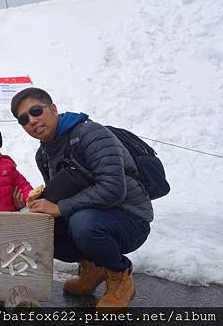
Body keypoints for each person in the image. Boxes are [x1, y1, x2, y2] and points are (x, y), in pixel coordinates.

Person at [10, 87, 152, 308]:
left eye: (36, 110)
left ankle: (120, 274)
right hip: (90, 216)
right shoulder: (44, 154)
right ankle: (93, 267)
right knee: (38, 227)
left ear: (53, 109)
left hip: (131, 218)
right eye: (24, 119)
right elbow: (60, 195)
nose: (32, 120)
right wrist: (35, 205)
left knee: (83, 223)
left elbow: (113, 188)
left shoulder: (91, 134)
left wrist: (60, 208)